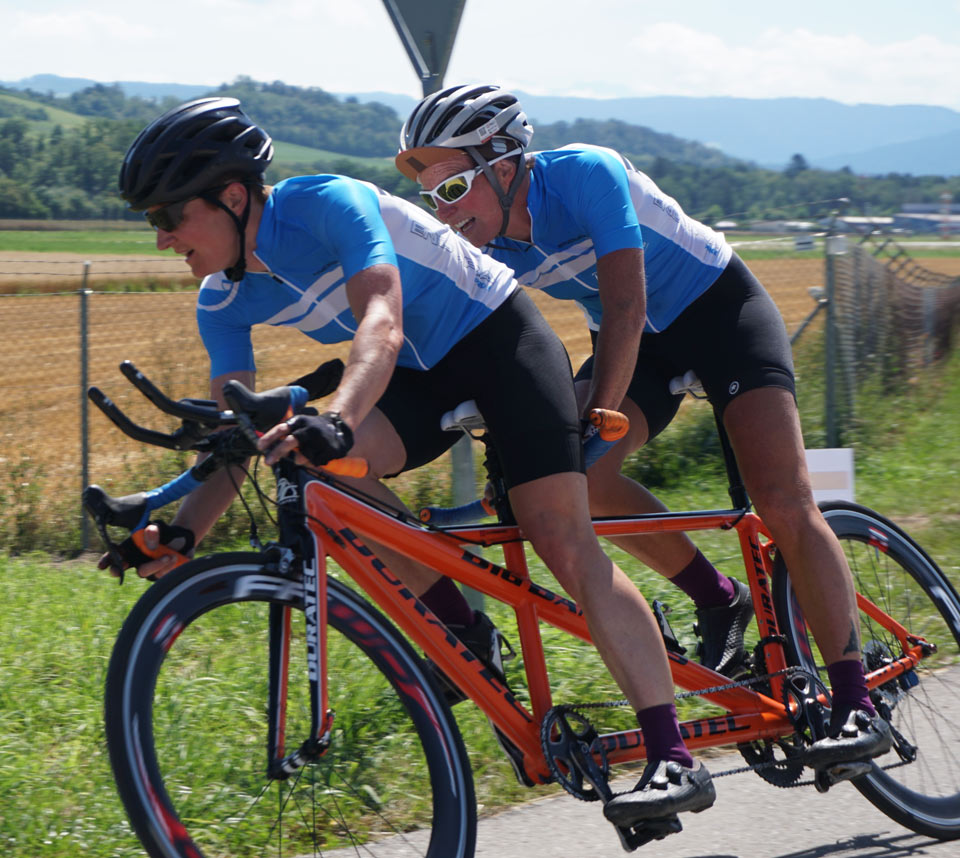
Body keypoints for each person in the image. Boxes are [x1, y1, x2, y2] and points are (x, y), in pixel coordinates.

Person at [113, 96, 716, 828]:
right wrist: (180, 536)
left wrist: (338, 419)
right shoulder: (223, 300)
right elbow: (235, 439)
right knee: (304, 471)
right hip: (418, 377)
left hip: (498, 342)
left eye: (167, 217)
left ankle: (670, 753)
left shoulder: (327, 202)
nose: (163, 239)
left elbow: (383, 320)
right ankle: (463, 628)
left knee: (558, 532)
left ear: (233, 197)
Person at [395, 85, 892, 797]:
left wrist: (598, 416)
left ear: (505, 162)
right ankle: (718, 597)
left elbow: (627, 303)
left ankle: (856, 699)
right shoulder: (485, 238)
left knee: (781, 499)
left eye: (452, 185)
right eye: (429, 196)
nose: (443, 209)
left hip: (720, 317)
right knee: (583, 486)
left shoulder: (586, 173)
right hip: (640, 347)